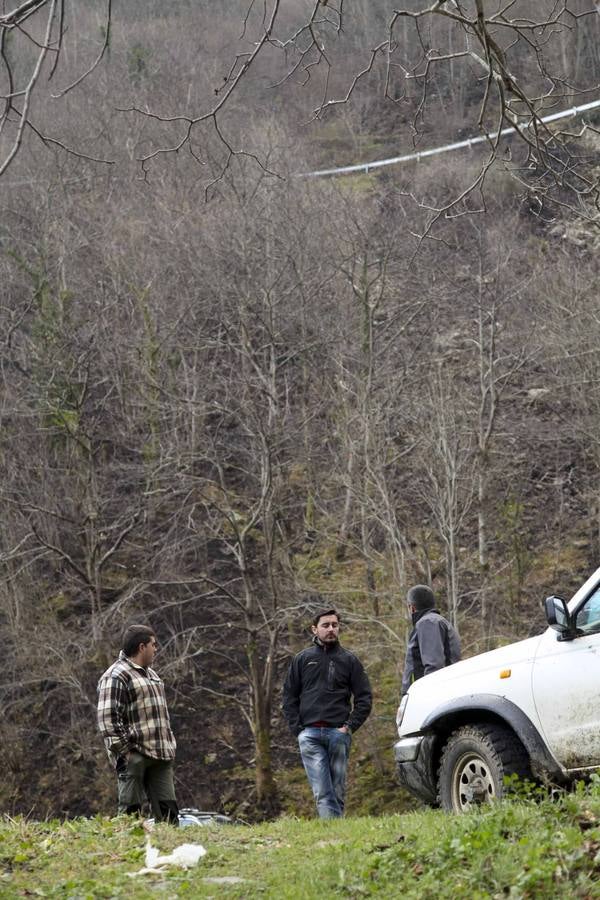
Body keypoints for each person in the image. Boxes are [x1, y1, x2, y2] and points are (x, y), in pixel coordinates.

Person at [282, 607, 372, 819]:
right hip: (310, 734)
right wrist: (298, 730)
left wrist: (349, 727)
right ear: (315, 629)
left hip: (338, 734)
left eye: (334, 625)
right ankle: (332, 831)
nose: (331, 629)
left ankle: (334, 833)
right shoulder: (302, 660)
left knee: (337, 789)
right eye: (325, 625)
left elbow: (364, 698)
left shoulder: (349, 661)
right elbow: (289, 697)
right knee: (322, 790)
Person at [97, 624, 179, 823]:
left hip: (161, 755)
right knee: (130, 816)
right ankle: (128, 853)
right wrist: (126, 753)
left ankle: (167, 850)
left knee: (169, 815)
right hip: (134, 755)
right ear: (142, 647)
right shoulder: (116, 675)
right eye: (153, 645)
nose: (156, 649)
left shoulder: (152, 675)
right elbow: (107, 720)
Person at [401, 585, 461, 696]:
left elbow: (434, 666)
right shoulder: (436, 621)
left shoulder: (428, 622)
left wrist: (426, 697)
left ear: (412, 608)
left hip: (428, 696)